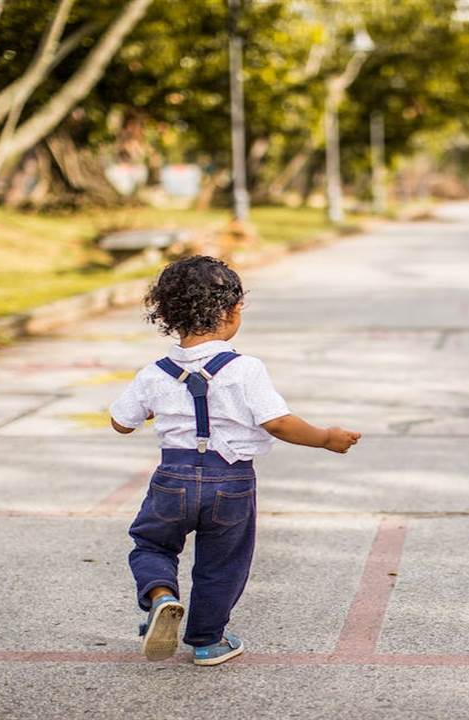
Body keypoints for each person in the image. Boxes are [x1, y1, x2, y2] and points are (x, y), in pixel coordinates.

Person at [109, 255, 361, 666]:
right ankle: (208, 641)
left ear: (167, 314)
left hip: (171, 479)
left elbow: (120, 422)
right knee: (222, 563)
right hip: (231, 482)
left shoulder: (154, 373)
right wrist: (325, 438)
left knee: (151, 544)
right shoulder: (245, 369)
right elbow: (277, 422)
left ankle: (161, 596)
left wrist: (156, 408)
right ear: (230, 311)